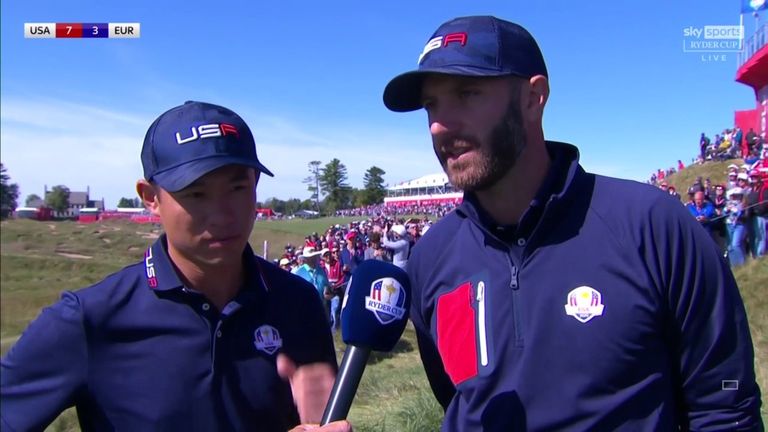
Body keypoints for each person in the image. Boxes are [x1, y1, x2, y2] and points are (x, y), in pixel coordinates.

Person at [382, 16, 762, 430]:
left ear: (534, 98)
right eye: (432, 105)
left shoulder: (654, 227)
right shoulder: (431, 258)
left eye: (467, 94)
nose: (440, 124)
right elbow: (457, 400)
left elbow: (724, 406)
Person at [0, 101, 350, 432]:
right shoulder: (86, 320)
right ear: (151, 198)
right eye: (196, 194)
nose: (224, 214)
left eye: (238, 187)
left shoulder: (299, 302)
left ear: (256, 185)